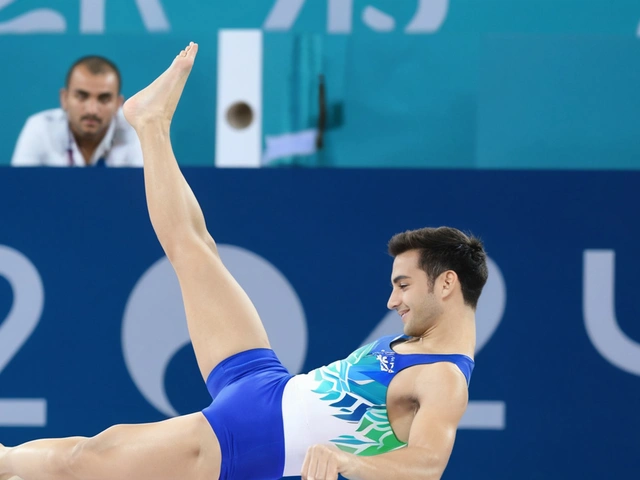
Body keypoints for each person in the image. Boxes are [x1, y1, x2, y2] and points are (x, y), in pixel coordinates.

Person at [0, 43, 488, 480]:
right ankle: (151, 124)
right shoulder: (414, 344)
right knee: (194, 246)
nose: (392, 299)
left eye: (403, 285)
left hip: (246, 441)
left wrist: (348, 462)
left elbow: (427, 464)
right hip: (265, 384)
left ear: (446, 284)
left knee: (84, 461)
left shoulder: (443, 376)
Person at [11, 55, 143, 167]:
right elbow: (19, 190)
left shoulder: (137, 131)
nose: (92, 110)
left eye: (104, 99)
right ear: (64, 98)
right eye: (82, 96)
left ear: (118, 104)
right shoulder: (40, 128)